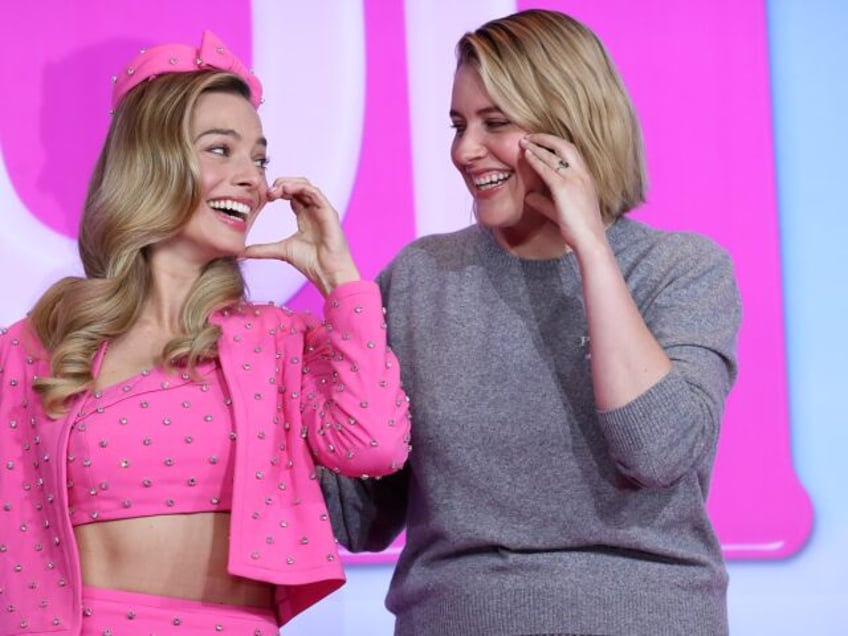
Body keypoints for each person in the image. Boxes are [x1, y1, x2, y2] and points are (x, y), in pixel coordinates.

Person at [321, 9, 741, 636]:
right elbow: (359, 517)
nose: (465, 151)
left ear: (569, 129)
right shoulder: (419, 278)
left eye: (496, 123)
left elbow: (654, 451)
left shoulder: (680, 269)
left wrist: (592, 250)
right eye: (459, 124)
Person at [0, 30, 410, 635]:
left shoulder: (275, 340)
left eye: (260, 158)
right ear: (151, 161)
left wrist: (341, 281)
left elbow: (375, 445)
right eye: (222, 149)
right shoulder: (37, 346)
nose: (253, 178)